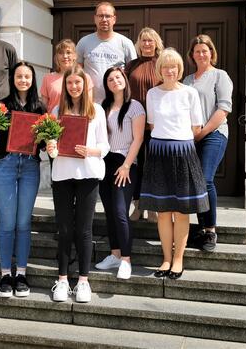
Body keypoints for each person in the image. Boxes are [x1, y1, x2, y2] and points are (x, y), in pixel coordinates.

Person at [140, 48, 209, 280]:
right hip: (159, 153)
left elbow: (196, 128)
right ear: (160, 69)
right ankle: (166, 259)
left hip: (183, 152)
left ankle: (178, 260)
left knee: (181, 212)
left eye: (174, 67)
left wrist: (179, 142)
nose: (170, 70)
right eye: (165, 66)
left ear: (179, 70)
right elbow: (151, 125)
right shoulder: (152, 94)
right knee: (162, 212)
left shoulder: (190, 93)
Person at [46, 65, 110, 303]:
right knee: (64, 229)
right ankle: (62, 280)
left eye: (78, 83)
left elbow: (105, 146)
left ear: (85, 85)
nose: (74, 87)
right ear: (65, 86)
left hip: (89, 175)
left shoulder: (97, 111)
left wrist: (90, 151)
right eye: (70, 83)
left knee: (84, 229)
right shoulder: (56, 111)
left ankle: (83, 280)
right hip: (62, 174)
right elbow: (51, 145)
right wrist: (51, 148)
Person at [0, 61, 45, 298]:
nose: (23, 80)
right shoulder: (1, 106)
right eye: (19, 76)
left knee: (23, 224)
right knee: (7, 223)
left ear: (32, 80)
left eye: (27, 77)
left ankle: (21, 273)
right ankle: (4, 275)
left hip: (30, 167)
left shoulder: (39, 107)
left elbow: (40, 143)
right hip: (5, 167)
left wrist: (47, 141)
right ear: (13, 79)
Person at [184, 35, 233, 252]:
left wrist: (202, 132)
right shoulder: (187, 80)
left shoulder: (220, 76)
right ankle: (202, 229)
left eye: (205, 51)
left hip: (213, 134)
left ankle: (211, 230)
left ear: (211, 53)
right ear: (192, 55)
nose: (201, 54)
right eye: (197, 51)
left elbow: (223, 109)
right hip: (191, 137)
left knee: (205, 179)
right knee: (195, 182)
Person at [95, 66, 145, 280]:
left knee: (119, 211)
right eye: (110, 80)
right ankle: (115, 254)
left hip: (124, 162)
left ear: (124, 79)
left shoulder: (135, 107)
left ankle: (126, 259)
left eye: (118, 77)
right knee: (108, 210)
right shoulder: (102, 107)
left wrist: (126, 165)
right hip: (104, 161)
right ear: (106, 85)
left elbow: (138, 139)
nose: (115, 81)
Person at [124, 27, 164, 222]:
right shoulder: (131, 65)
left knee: (154, 165)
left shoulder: (162, 65)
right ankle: (138, 206)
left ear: (156, 43)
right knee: (136, 165)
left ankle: (154, 207)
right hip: (135, 123)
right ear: (138, 44)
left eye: (150, 40)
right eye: (143, 41)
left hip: (158, 125)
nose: (147, 44)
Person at [76, 2, 137, 104]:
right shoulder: (84, 42)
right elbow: (76, 72)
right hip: (90, 103)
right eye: (100, 16)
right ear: (95, 18)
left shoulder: (125, 43)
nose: (104, 19)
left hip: (118, 105)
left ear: (114, 19)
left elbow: (133, 75)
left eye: (107, 16)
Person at [40, 38, 93, 114]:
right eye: (61, 53)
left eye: (68, 52)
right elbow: (44, 107)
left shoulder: (85, 77)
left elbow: (89, 103)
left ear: (75, 55)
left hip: (79, 121)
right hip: (54, 122)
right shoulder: (48, 78)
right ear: (57, 57)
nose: (65, 56)